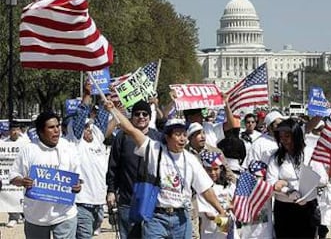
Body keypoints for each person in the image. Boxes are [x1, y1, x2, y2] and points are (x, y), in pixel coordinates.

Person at [107, 99, 228, 238]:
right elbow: (130, 129)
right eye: (177, 134)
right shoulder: (154, 149)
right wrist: (113, 110)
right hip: (156, 218)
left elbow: (206, 189)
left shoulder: (191, 160)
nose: (182, 139)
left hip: (182, 218)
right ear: (167, 137)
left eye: (184, 134)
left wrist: (220, 210)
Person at [9, 112, 82, 239]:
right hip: (36, 217)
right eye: (51, 127)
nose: (56, 130)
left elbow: (78, 178)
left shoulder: (69, 148)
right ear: (40, 132)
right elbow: (13, 176)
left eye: (58, 126)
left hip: (65, 214)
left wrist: (77, 186)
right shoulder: (29, 150)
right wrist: (22, 181)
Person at [106, 100, 163, 239]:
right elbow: (113, 166)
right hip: (128, 200)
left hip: (152, 202)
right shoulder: (121, 137)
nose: (141, 117)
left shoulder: (158, 138)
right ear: (132, 117)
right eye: (137, 114)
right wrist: (111, 191)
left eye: (145, 114)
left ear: (150, 117)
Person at [267, 118, 327, 238]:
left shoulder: (310, 153)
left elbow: (323, 179)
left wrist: (307, 192)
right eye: (281, 137)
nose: (284, 140)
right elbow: (271, 183)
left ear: (296, 135)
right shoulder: (276, 158)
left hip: (308, 207)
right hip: (284, 209)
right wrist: (288, 192)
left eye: (287, 136)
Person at [70, 82, 112, 239]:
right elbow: (80, 117)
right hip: (82, 202)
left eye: (90, 126)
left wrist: (106, 95)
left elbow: (102, 115)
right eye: (86, 127)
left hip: (98, 203)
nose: (88, 129)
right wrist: (87, 95)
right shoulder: (75, 140)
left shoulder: (98, 138)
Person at [186, 122, 236, 238]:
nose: (203, 136)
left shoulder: (215, 152)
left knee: (221, 233)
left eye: (203, 133)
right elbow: (209, 216)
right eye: (198, 134)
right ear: (190, 138)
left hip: (216, 195)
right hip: (193, 198)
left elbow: (228, 173)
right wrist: (224, 223)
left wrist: (230, 191)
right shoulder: (185, 153)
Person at [197, 151, 236, 239]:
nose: (213, 173)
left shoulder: (229, 186)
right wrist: (224, 220)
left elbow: (235, 205)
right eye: (209, 170)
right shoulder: (201, 189)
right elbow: (208, 214)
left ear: (221, 168)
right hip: (211, 234)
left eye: (215, 169)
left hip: (230, 232)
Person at [3, 121, 30, 228]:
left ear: (19, 131)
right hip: (8, 173)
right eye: (12, 130)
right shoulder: (3, 143)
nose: (14, 132)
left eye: (16, 130)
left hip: (22, 172)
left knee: (22, 194)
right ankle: (13, 217)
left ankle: (24, 216)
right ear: (9, 131)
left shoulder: (26, 142)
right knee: (10, 194)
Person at [240, 160, 274, 239]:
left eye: (258, 176)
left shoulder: (268, 190)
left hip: (265, 233)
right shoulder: (242, 190)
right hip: (247, 234)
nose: (254, 179)